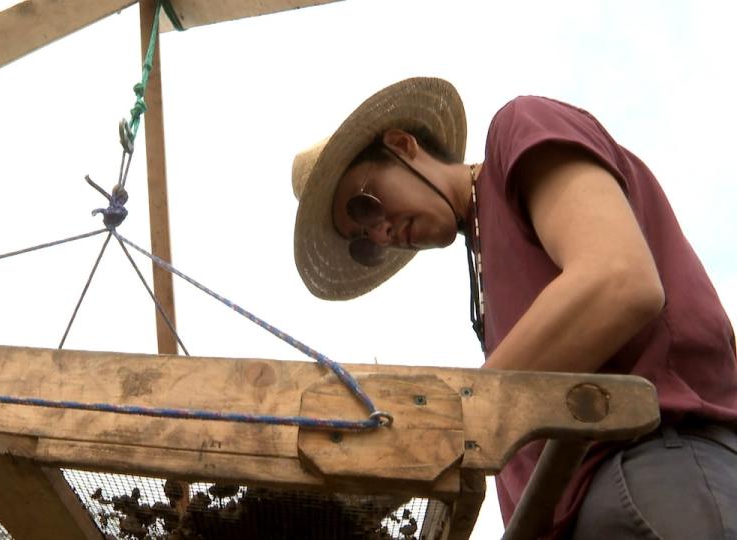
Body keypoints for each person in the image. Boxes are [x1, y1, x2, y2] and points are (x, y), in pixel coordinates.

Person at [289, 77, 737, 538]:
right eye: (364, 240)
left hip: (646, 473)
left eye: (365, 207)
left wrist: (444, 422)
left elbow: (618, 280)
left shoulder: (519, 127)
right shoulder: (485, 263)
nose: (380, 233)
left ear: (403, 146)